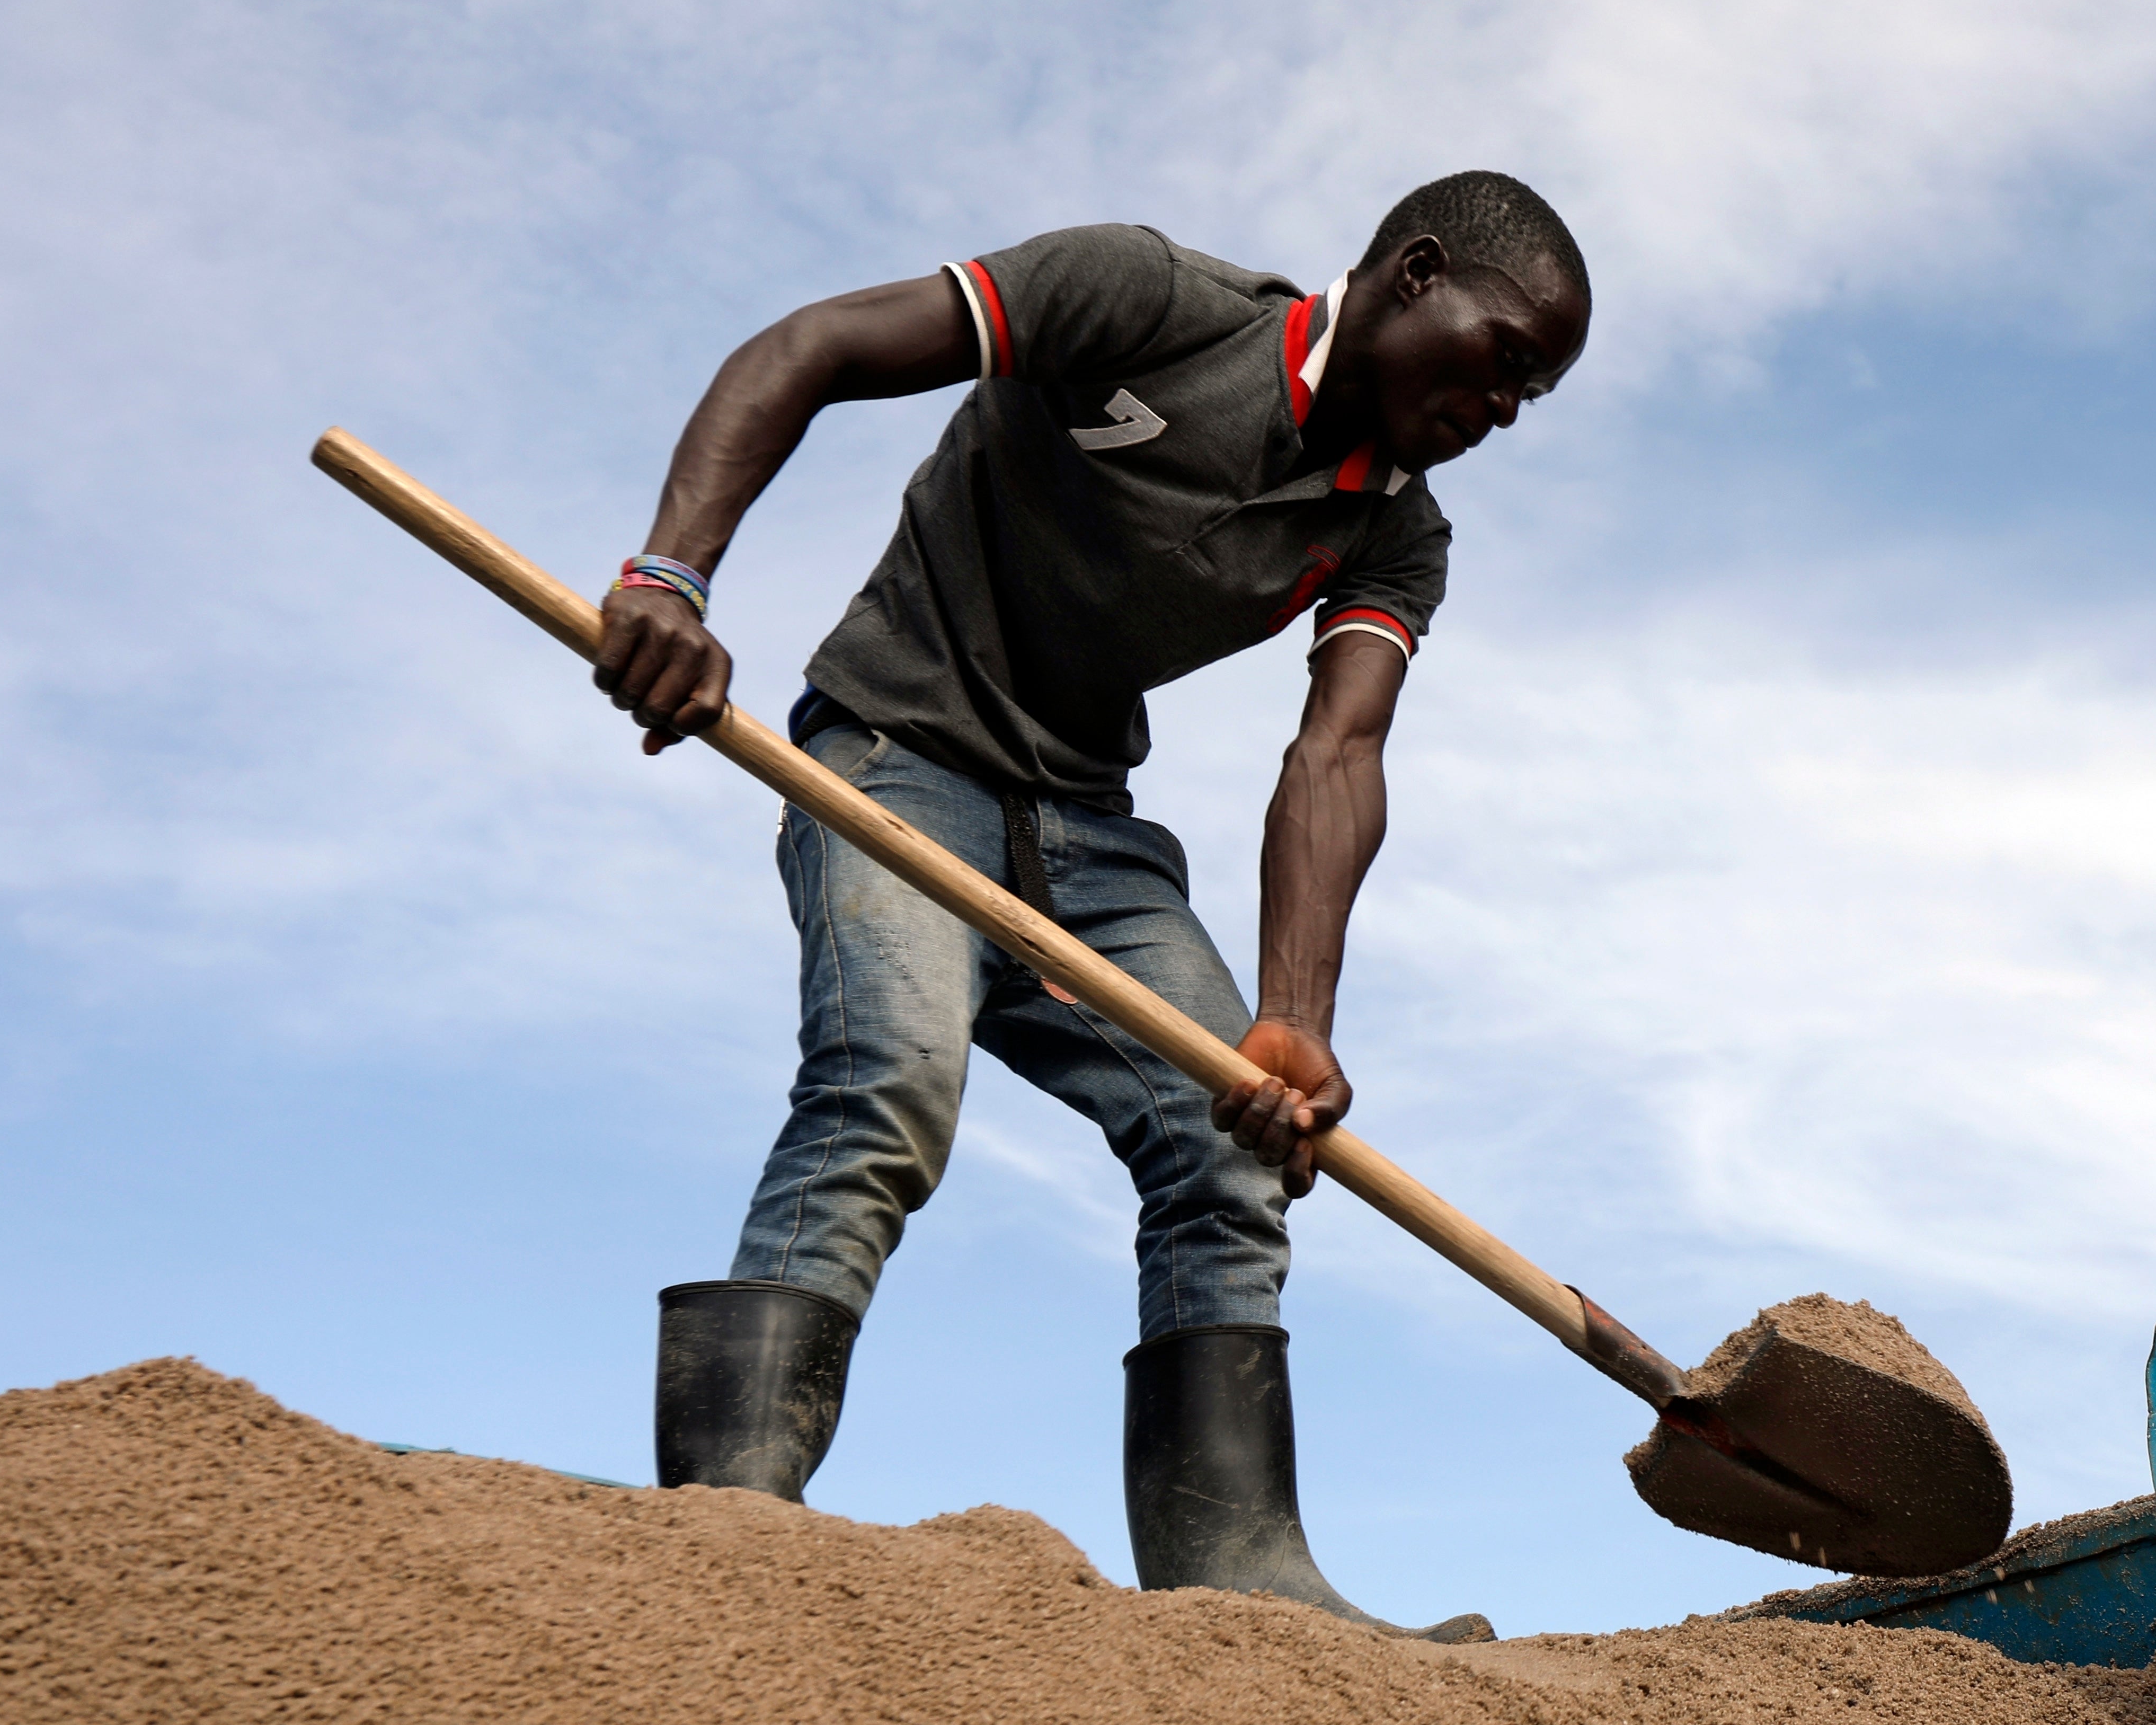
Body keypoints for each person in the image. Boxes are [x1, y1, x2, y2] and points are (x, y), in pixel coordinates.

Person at [591, 172, 1590, 1643]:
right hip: (893, 757)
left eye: (1536, 395)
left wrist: (1292, 1023)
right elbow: (807, 349)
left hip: (1081, 834)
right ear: (1415, 271)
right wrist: (670, 575)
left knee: (1229, 1140)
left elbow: (1339, 751)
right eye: (1505, 356)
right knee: (892, 1078)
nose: (1506, 407)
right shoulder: (1144, 302)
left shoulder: (1396, 534)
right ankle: (733, 1524)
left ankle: (1239, 1585)